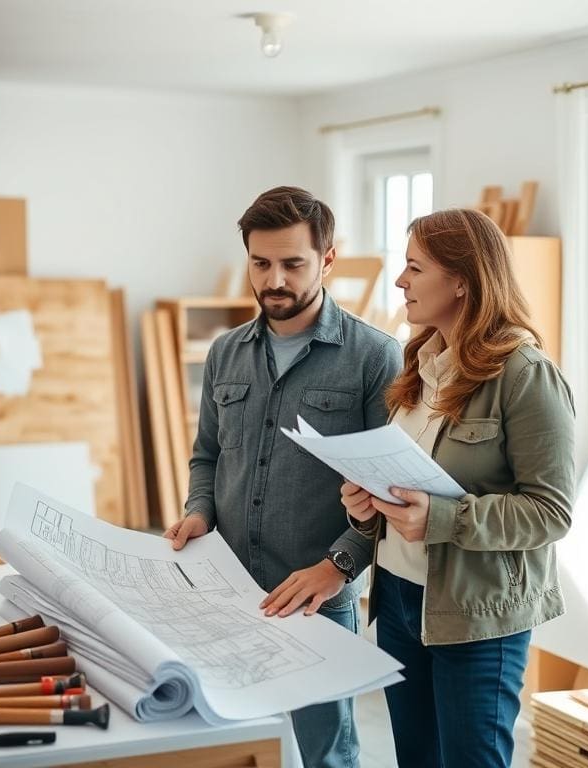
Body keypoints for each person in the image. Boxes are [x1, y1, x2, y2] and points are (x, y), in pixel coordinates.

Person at [164, 185, 403, 768]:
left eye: (293, 264)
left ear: (327, 259)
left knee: (327, 756)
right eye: (260, 263)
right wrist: (199, 510)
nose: (274, 280)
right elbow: (208, 454)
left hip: (316, 597)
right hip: (225, 587)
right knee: (235, 746)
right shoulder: (225, 353)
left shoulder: (375, 357)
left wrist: (337, 566)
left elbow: (393, 493)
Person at [340, 208, 575, 768]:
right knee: (416, 758)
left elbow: (551, 512)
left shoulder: (524, 374)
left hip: (476, 612)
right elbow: (409, 485)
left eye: (414, 268)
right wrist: (364, 509)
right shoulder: (416, 364)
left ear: (462, 281)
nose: (400, 281)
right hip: (397, 596)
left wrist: (442, 519)